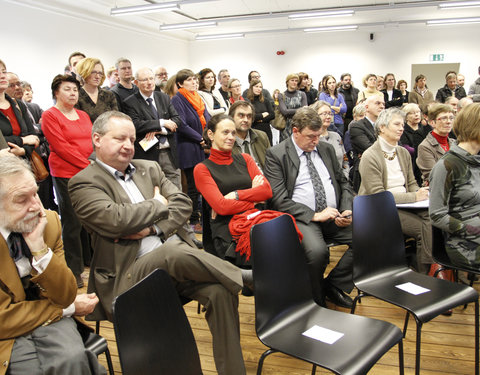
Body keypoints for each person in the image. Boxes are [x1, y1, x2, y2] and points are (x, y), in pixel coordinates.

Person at [69, 111, 252, 375]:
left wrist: (154, 226)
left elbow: (183, 204)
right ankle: (244, 277)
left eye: (132, 139)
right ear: (96, 139)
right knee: (172, 250)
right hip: (128, 273)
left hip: (178, 264)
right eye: (119, 138)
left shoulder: (150, 168)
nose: (128, 145)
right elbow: (116, 219)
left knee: (220, 293)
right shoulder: (83, 182)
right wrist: (157, 203)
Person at [0, 154, 105, 375]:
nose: (36, 207)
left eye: (35, 194)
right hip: (7, 335)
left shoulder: (47, 223)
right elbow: (3, 319)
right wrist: (69, 309)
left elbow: (65, 293)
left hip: (48, 319)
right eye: (22, 199)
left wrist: (39, 250)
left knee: (73, 360)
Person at [265, 107, 354, 308]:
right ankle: (315, 299)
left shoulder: (326, 149)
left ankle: (332, 285)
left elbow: (344, 183)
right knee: (317, 252)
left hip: (334, 214)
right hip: (302, 217)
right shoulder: (277, 154)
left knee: (368, 238)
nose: (316, 141)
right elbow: (279, 200)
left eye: (319, 135)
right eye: (311, 136)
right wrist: (315, 215)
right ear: (295, 131)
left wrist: (347, 208)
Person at [358, 107, 438, 275]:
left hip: (407, 204)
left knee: (435, 216)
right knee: (425, 227)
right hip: (380, 209)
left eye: (402, 124)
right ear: (382, 127)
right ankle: (426, 273)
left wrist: (421, 194)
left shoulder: (402, 152)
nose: (401, 128)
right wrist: (413, 197)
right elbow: (378, 196)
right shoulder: (370, 156)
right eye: (396, 124)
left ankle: (433, 267)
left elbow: (411, 183)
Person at [194, 114, 275, 266]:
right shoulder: (202, 169)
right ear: (210, 134)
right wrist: (255, 200)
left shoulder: (245, 159)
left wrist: (237, 195)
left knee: (285, 245)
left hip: (256, 219)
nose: (231, 137)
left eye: (233, 133)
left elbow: (267, 191)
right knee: (268, 255)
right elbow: (222, 207)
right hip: (227, 229)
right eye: (225, 132)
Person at [42, 74, 93, 287]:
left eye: (75, 90)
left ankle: (90, 260)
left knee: (89, 219)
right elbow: (61, 147)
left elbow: (92, 140)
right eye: (67, 89)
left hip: (88, 171)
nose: (73, 93)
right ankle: (74, 270)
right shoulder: (50, 115)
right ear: (56, 92)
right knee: (72, 222)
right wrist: (87, 165)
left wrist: (93, 163)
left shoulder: (82, 114)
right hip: (65, 173)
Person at [429, 103, 480, 269]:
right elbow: (437, 216)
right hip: (463, 243)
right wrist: (474, 231)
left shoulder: (476, 161)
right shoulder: (447, 165)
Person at [171, 69, 210, 234]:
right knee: (193, 187)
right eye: (189, 80)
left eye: (195, 79)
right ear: (180, 83)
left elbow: (207, 117)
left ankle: (202, 216)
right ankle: (193, 220)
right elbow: (181, 123)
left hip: (202, 144)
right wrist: (200, 138)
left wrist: (209, 134)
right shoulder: (177, 99)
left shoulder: (198, 97)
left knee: (203, 184)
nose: (194, 82)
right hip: (189, 146)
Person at [0, 62, 39, 160]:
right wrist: (22, 140)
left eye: (3, 72)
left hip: (24, 163)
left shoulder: (18, 104)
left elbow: (33, 137)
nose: (2, 76)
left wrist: (23, 151)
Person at [349, 94, 385, 191]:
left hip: (386, 172)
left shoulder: (388, 126)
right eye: (377, 103)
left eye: (383, 104)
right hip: (365, 174)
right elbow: (369, 148)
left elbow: (397, 147)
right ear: (367, 107)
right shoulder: (357, 126)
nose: (382, 106)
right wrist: (387, 149)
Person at [416, 103, 456, 185]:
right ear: (432, 122)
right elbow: (434, 176)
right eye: (444, 118)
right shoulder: (425, 147)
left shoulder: (455, 143)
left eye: (451, 118)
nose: (448, 122)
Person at [310, 100, 349, 178]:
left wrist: (345, 176)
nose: (328, 117)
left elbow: (345, 160)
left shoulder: (336, 136)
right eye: (324, 114)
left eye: (330, 113)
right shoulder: (312, 139)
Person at [75, 57, 119, 123]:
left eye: (100, 73)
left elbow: (115, 119)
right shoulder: (76, 96)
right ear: (84, 72)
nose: (97, 77)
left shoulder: (108, 95)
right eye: (93, 72)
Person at [230, 101, 270, 171]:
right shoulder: (226, 141)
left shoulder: (262, 136)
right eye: (241, 115)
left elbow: (272, 164)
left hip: (264, 178)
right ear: (231, 117)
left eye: (249, 116)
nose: (246, 120)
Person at [400, 103, 430, 185]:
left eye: (418, 112)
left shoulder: (426, 128)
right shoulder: (403, 130)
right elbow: (406, 148)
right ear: (406, 116)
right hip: (411, 163)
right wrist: (425, 151)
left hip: (426, 162)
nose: (416, 115)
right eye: (412, 113)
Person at [278, 73, 307, 141]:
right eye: (292, 80)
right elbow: (284, 112)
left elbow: (305, 110)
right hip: (285, 127)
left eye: (296, 81)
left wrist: (289, 111)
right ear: (287, 82)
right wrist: (300, 110)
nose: (294, 82)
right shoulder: (281, 95)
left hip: (300, 124)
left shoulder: (302, 94)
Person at [245, 79, 274, 144]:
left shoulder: (265, 100)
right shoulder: (247, 101)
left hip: (266, 130)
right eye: (256, 86)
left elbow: (272, 115)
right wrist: (262, 115)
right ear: (251, 87)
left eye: (260, 87)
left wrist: (260, 120)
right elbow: (251, 116)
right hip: (254, 130)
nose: (259, 89)